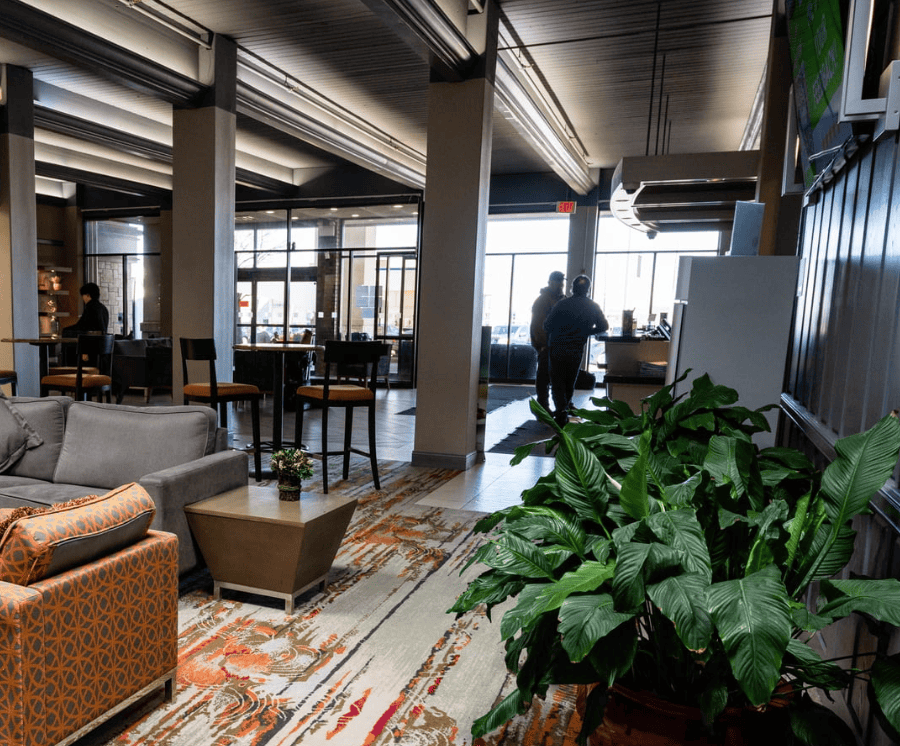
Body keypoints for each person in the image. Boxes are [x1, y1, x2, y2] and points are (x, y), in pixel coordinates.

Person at [543, 274, 608, 426]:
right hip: (576, 349)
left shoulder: (562, 304)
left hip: (557, 347)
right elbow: (603, 326)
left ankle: (561, 413)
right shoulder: (593, 306)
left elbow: (547, 325)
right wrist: (586, 332)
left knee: (557, 382)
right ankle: (565, 409)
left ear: (572, 288)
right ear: (588, 289)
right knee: (569, 382)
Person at [530, 270, 565, 412]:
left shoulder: (561, 299)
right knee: (544, 376)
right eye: (557, 281)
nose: (560, 284)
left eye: (561, 281)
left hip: (559, 345)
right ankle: (543, 406)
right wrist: (542, 345)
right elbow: (537, 324)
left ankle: (559, 405)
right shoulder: (543, 300)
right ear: (550, 282)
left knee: (557, 377)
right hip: (547, 345)